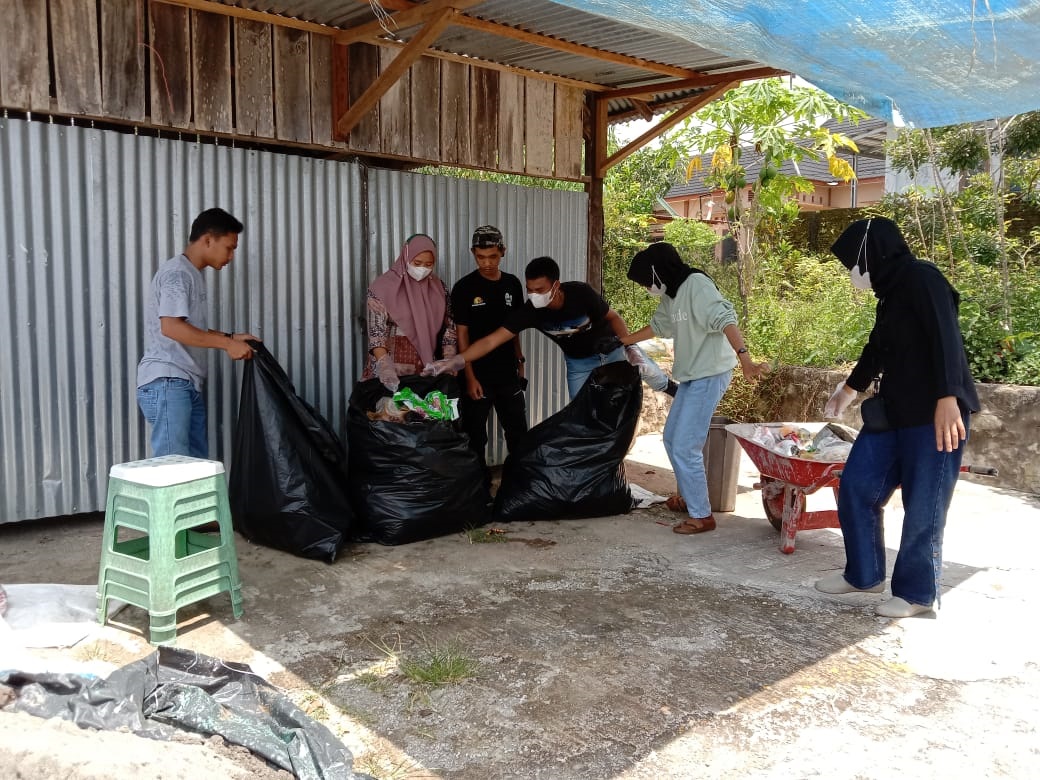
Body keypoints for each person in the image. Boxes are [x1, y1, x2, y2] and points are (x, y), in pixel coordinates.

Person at [814, 217, 980, 618]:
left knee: (923, 504)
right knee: (857, 484)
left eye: (852, 262)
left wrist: (948, 396)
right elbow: (878, 347)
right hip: (895, 412)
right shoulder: (890, 293)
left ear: (872, 252)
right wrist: (849, 388)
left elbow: (946, 336)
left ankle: (916, 594)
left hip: (936, 414)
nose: (851, 272)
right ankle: (864, 574)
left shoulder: (923, 279)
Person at [621, 242, 769, 535]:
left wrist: (746, 360)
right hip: (692, 375)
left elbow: (726, 319)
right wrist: (624, 341)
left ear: (657, 271)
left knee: (686, 444)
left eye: (645, 282)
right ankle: (689, 498)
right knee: (672, 438)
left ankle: (702, 515)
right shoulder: (671, 295)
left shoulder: (697, 285)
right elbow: (659, 327)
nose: (646, 288)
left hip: (711, 373)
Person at [426, 256, 662, 400]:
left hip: (612, 350)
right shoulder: (531, 311)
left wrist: (628, 345)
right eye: (529, 289)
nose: (533, 295)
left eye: (539, 290)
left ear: (556, 285)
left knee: (642, 376)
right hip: (578, 363)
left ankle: (666, 384)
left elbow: (614, 317)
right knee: (581, 415)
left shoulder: (580, 293)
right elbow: (491, 341)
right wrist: (455, 360)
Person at [137, 207, 259, 459]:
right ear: (207, 240)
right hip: (168, 382)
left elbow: (190, 327)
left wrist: (230, 337)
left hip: (182, 384)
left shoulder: (190, 274)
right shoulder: (178, 274)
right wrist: (226, 346)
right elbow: (171, 327)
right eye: (229, 247)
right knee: (175, 470)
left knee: (193, 469)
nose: (231, 256)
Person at [450, 226, 528, 480]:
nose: (486, 263)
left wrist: (520, 362)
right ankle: (479, 489)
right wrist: (469, 377)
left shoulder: (513, 284)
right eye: (480, 257)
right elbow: (462, 335)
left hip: (507, 372)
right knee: (475, 435)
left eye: (492, 257)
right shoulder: (464, 288)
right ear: (473, 253)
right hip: (478, 375)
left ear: (502, 252)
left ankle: (518, 484)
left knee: (517, 431)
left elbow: (514, 330)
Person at [363, 233, 457, 392]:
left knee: (424, 415)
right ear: (405, 256)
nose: (422, 269)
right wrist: (384, 365)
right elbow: (376, 334)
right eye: (417, 262)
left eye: (429, 264)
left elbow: (449, 328)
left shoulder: (439, 288)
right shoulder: (381, 288)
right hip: (390, 374)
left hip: (426, 372)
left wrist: (449, 359)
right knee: (388, 413)